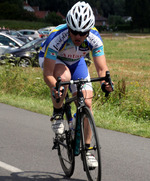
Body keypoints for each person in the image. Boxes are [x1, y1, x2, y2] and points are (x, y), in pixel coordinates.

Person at [39, 1, 113, 167]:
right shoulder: (58, 37)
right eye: (74, 32)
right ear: (68, 27)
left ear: (89, 30)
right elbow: (48, 74)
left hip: (76, 61)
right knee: (63, 77)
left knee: (87, 102)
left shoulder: (94, 37)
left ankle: (87, 150)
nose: (78, 36)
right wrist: (55, 89)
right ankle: (57, 113)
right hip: (53, 61)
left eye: (83, 32)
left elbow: (102, 68)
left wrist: (105, 83)